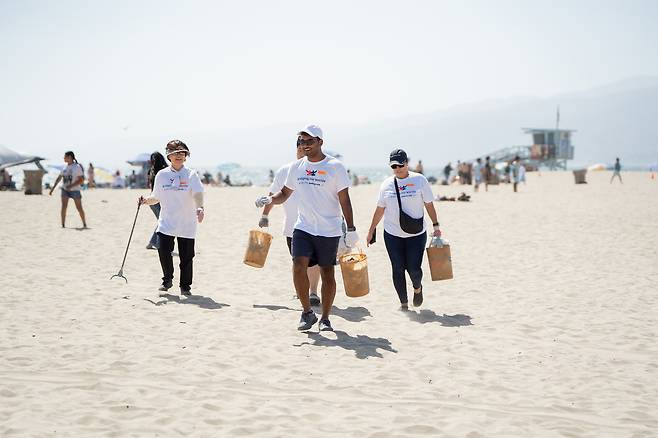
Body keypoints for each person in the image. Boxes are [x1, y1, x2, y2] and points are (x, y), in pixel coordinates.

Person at [255, 124, 357, 332]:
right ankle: (307, 312)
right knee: (298, 265)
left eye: (309, 141)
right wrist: (270, 199)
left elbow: (345, 200)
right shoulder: (297, 167)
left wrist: (351, 229)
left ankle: (326, 319)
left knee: (327, 273)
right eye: (302, 141)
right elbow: (284, 193)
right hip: (303, 227)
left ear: (320, 142)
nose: (305, 145)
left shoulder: (335, 166)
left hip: (329, 229)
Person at [365, 149, 441, 310]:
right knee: (397, 268)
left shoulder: (419, 180)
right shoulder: (386, 184)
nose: (398, 168)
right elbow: (380, 209)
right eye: (394, 166)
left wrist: (436, 226)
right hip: (392, 234)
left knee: (414, 269)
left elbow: (429, 205)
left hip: (416, 234)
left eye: (400, 164)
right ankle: (404, 303)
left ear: (407, 163)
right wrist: (371, 229)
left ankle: (417, 288)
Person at [259, 141, 322, 306]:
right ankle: (301, 290)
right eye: (300, 148)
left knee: (313, 261)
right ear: (296, 150)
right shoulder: (285, 171)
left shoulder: (319, 169)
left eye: (306, 147)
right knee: (299, 263)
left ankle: (313, 292)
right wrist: (265, 214)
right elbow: (273, 194)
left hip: (316, 226)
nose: (302, 151)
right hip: (292, 228)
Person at [139, 140, 204, 296]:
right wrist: (146, 201)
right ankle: (167, 280)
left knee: (187, 257)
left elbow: (198, 193)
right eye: (176, 153)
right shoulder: (162, 175)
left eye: (182, 153)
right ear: (169, 156)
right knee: (163, 251)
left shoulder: (191, 174)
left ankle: (185, 286)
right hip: (167, 221)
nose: (179, 156)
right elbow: (156, 197)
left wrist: (200, 207)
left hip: (187, 222)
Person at [49, 151, 87, 228]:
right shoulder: (64, 167)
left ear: (70, 157)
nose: (63, 158)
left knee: (79, 208)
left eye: (65, 156)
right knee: (64, 206)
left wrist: (71, 186)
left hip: (75, 190)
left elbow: (81, 180)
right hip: (65, 190)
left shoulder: (77, 167)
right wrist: (52, 188)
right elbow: (59, 178)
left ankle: (84, 223)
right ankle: (63, 225)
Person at [145, 151, 168, 250]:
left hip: (152, 199)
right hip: (159, 200)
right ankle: (158, 245)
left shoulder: (151, 171)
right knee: (163, 222)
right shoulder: (165, 171)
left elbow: (149, 185)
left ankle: (152, 243)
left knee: (161, 222)